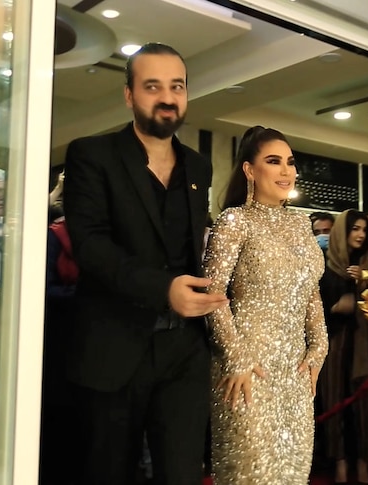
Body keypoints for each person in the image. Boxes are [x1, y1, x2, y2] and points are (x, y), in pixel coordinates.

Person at [63, 42, 226, 485]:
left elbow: (195, 246)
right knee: (108, 472)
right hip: (113, 347)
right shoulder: (91, 155)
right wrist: (164, 290)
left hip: (184, 351)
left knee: (183, 473)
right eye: (152, 86)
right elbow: (91, 247)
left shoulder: (198, 166)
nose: (167, 97)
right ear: (129, 95)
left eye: (177, 86)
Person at [204, 126, 328, 484]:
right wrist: (236, 356)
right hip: (246, 369)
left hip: (294, 371)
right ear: (249, 170)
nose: (286, 171)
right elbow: (213, 295)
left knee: (292, 471)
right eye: (274, 162)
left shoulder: (300, 223)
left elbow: (310, 290)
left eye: (290, 162)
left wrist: (319, 347)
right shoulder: (235, 221)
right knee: (253, 472)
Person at [319, 209, 368, 484]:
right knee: (334, 399)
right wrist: (334, 306)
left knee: (364, 404)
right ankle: (341, 463)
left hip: (365, 344)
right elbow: (313, 308)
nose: (360, 235)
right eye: (354, 229)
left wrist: (365, 280)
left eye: (363, 230)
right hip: (334, 342)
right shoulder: (325, 265)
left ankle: (364, 462)